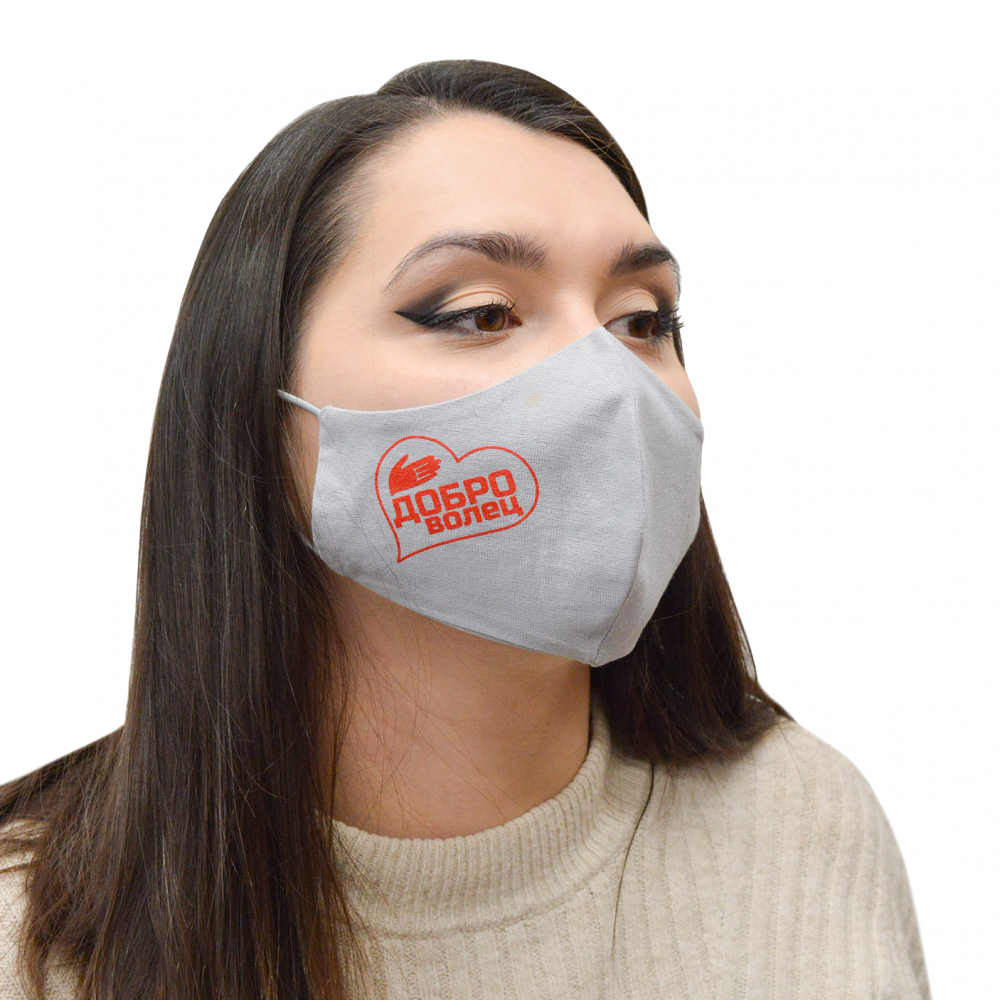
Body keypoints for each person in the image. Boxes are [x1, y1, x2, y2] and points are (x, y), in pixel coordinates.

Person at [0, 60, 930, 999]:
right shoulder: (27, 933)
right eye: (481, 313)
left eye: (642, 321)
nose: (607, 381)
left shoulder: (807, 822)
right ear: (258, 401)